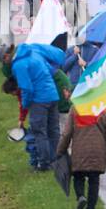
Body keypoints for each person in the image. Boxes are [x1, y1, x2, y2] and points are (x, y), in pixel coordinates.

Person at [8, 42, 66, 170]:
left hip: (39, 100)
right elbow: (51, 70)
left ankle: (44, 164)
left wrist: (25, 105)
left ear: (7, 56)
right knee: (54, 131)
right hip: (53, 95)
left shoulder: (19, 65)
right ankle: (57, 160)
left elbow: (26, 89)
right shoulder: (34, 53)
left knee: (39, 132)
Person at [57, 106, 106, 209]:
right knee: (94, 181)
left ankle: (80, 196)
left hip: (80, 150)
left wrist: (60, 150)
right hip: (97, 151)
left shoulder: (75, 108)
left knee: (78, 177)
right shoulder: (103, 109)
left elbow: (67, 133)